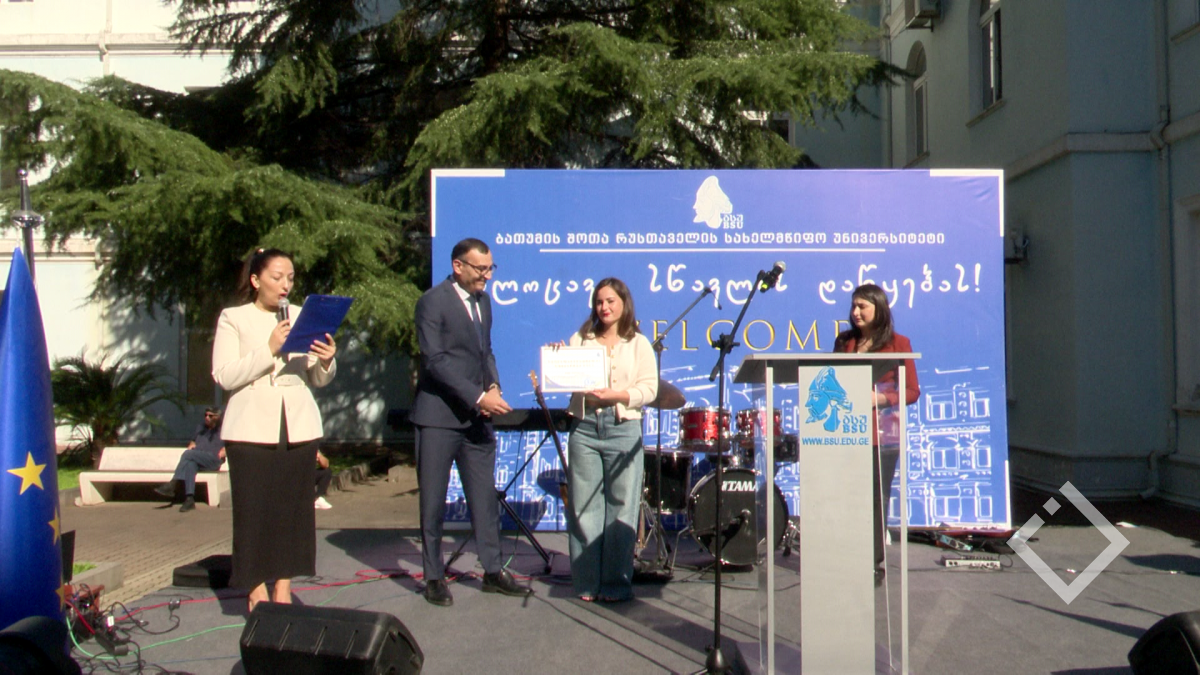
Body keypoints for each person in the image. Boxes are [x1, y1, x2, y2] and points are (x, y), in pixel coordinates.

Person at [211, 248, 338, 613]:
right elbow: (224, 375)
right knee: (253, 512)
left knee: (292, 511)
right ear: (256, 280)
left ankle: (283, 588)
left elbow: (316, 376)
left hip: (297, 425)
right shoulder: (234, 318)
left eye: (291, 278)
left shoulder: (301, 316)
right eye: (277, 277)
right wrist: (268, 349)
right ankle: (255, 590)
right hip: (250, 428)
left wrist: (327, 361)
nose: (285, 286)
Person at [410, 237, 529, 607]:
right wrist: (478, 397)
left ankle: (492, 570)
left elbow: (484, 351)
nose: (487, 276)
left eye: (491, 268)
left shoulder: (484, 301)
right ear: (458, 266)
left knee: (484, 498)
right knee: (433, 502)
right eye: (480, 268)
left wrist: (492, 385)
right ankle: (433, 576)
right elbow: (435, 361)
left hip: (476, 419)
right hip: (438, 418)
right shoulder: (433, 302)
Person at [560, 277, 657, 603]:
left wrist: (618, 395)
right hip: (585, 426)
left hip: (623, 428)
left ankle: (615, 584)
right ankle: (587, 582)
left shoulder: (638, 343)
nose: (604, 307)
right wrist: (558, 360)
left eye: (610, 301)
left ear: (623, 304)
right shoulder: (580, 339)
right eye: (599, 302)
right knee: (584, 508)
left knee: (621, 509)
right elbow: (565, 377)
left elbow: (650, 389)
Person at [833, 283, 920, 583]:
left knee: (874, 499)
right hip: (846, 431)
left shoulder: (899, 343)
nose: (855, 313)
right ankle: (846, 558)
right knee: (847, 497)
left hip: (882, 434)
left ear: (878, 308)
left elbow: (912, 391)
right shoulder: (845, 341)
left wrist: (879, 399)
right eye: (853, 306)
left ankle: (871, 563)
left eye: (862, 307)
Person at [154, 406, 226, 512]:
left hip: (213, 459)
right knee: (190, 465)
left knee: (188, 454)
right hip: (198, 458)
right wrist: (192, 444)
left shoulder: (223, 429)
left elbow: (232, 443)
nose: (207, 418)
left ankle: (173, 483)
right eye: (205, 415)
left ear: (217, 417)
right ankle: (189, 499)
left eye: (210, 416)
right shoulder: (201, 427)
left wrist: (225, 450)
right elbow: (193, 441)